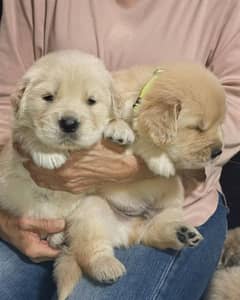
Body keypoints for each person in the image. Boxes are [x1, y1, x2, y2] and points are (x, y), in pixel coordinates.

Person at [0, 1, 239, 299]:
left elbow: (235, 102)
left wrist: (136, 163)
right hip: (39, 199)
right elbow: (6, 95)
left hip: (163, 203)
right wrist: (3, 218)